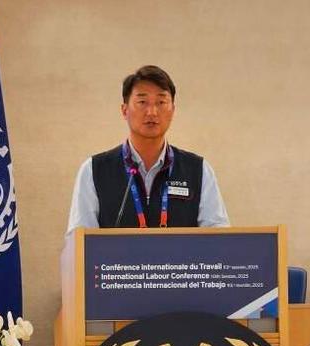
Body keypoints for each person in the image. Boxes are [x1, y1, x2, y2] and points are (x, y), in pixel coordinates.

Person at [67, 65, 229, 233]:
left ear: (173, 110)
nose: (152, 112)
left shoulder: (198, 170)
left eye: (161, 102)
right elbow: (79, 239)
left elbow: (219, 236)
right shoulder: (94, 170)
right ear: (124, 110)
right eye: (142, 102)